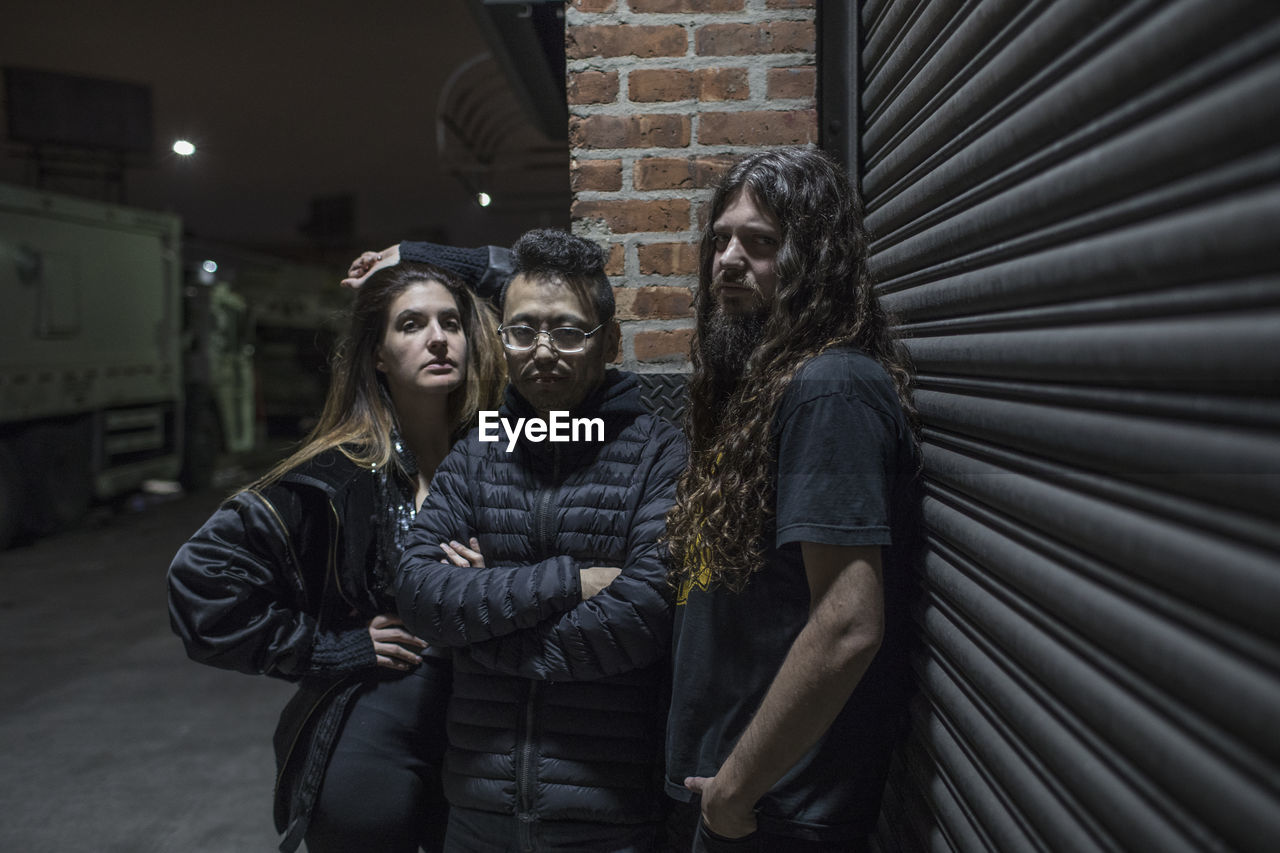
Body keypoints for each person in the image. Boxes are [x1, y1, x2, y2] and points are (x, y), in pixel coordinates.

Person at [167, 250, 507, 853]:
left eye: (451, 322)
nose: (437, 339)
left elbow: (543, 279)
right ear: (377, 356)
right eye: (411, 324)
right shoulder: (333, 474)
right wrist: (333, 647)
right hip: (383, 719)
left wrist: (415, 255)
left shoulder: (510, 438)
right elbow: (201, 583)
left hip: (491, 720)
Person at [393, 228, 686, 851]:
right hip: (476, 810)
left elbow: (646, 613)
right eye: (522, 331)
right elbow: (419, 594)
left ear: (608, 341)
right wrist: (571, 581)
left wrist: (477, 628)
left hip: (609, 814)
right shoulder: (478, 452)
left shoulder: (659, 453)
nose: (542, 351)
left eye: (568, 332)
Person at [664, 146, 921, 852]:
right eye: (720, 239)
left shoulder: (830, 388)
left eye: (761, 242)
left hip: (779, 810)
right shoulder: (766, 388)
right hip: (750, 803)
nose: (728, 260)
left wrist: (737, 789)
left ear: (819, 260)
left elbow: (847, 622)